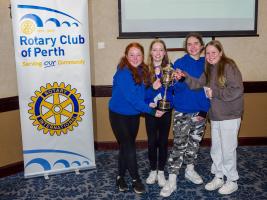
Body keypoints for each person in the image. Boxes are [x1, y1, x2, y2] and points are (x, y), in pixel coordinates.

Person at [177, 40, 244, 195]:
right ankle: (219, 176)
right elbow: (197, 84)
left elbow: (237, 90)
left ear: (221, 53)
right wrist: (184, 76)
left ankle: (232, 180)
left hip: (230, 116)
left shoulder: (229, 66)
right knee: (216, 149)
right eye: (207, 53)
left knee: (228, 149)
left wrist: (216, 93)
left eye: (214, 52)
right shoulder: (208, 69)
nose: (210, 55)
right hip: (215, 116)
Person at [109, 42, 164, 194]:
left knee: (125, 147)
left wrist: (151, 92)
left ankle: (120, 177)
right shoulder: (123, 72)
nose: (135, 58)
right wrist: (150, 112)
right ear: (126, 56)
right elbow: (132, 98)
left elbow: (142, 94)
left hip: (133, 115)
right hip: (118, 115)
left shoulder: (143, 70)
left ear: (142, 56)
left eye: (138, 54)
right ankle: (135, 179)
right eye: (131, 55)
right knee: (129, 146)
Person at [160, 33, 210, 197]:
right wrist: (179, 80)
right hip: (182, 111)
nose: (193, 47)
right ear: (186, 46)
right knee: (179, 145)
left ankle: (189, 169)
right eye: (189, 44)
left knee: (194, 144)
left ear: (202, 46)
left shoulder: (207, 64)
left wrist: (204, 110)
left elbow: (210, 90)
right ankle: (172, 179)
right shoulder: (179, 63)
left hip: (200, 111)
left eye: (196, 43)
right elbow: (175, 90)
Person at [144, 39, 173, 187]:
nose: (158, 53)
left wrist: (166, 107)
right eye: (155, 49)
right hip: (150, 112)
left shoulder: (170, 69)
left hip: (165, 112)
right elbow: (142, 94)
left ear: (165, 52)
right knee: (151, 142)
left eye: (161, 49)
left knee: (162, 142)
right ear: (150, 52)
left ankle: (161, 171)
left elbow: (174, 93)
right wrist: (153, 90)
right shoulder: (144, 70)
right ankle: (152, 170)